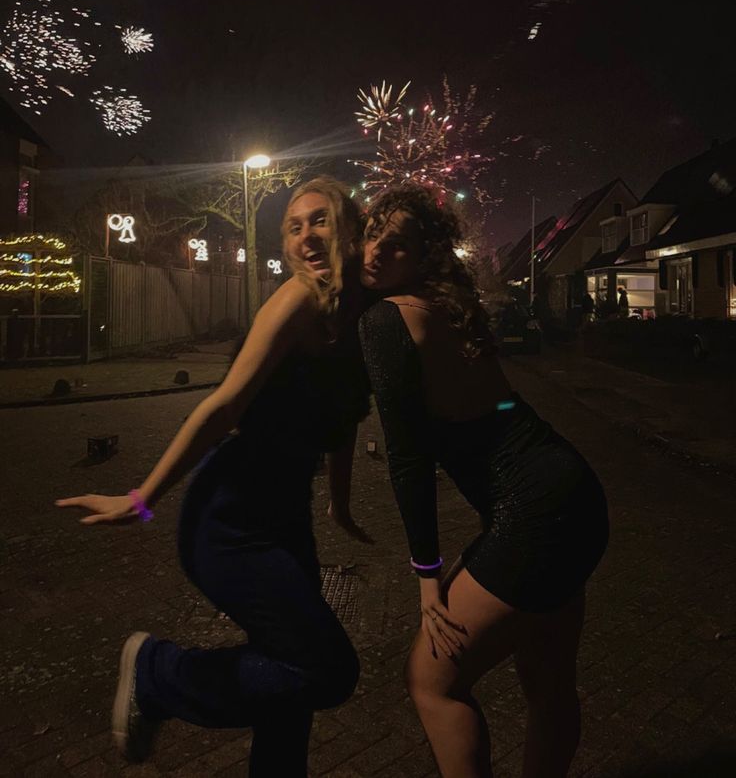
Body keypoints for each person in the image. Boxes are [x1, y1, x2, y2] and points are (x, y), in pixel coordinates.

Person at [56, 176, 371, 777]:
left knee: (289, 684)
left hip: (284, 518)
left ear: (350, 230)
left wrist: (341, 504)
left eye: (320, 220)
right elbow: (224, 406)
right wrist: (142, 498)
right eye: (294, 226)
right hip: (230, 518)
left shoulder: (355, 320)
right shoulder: (298, 299)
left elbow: (346, 419)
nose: (306, 235)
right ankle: (158, 673)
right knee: (326, 671)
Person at [356, 185, 608, 778]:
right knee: (548, 680)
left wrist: (427, 578)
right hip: (574, 489)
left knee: (431, 680)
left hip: (535, 508)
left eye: (395, 246)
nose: (374, 252)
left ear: (424, 257)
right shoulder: (446, 307)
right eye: (371, 235)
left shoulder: (387, 320)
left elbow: (408, 458)